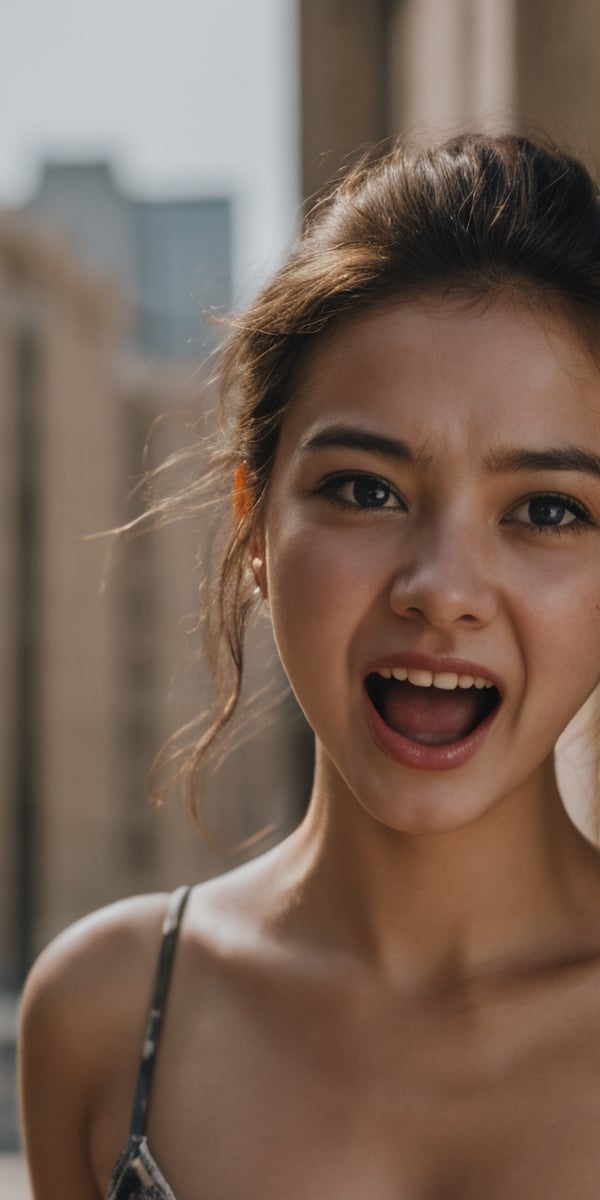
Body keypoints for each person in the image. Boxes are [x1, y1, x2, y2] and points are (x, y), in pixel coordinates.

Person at [18, 131, 600, 1199]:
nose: (442, 586)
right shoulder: (100, 1020)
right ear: (253, 528)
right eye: (365, 490)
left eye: (547, 510)